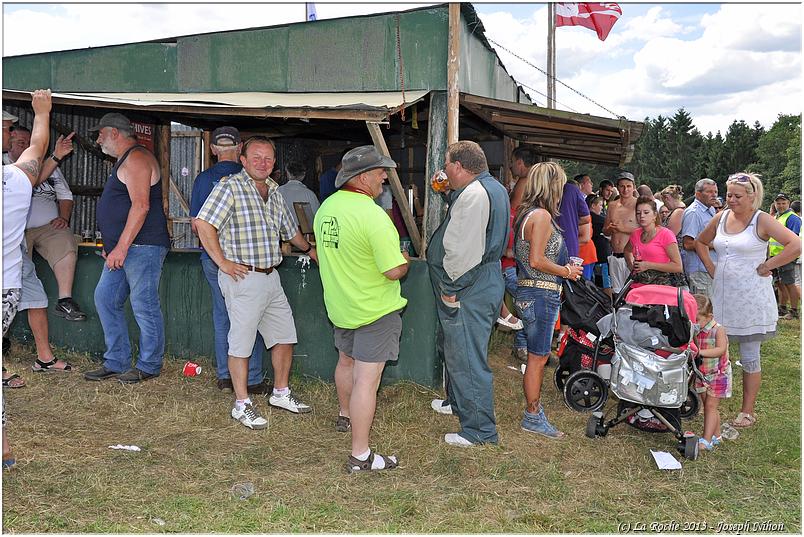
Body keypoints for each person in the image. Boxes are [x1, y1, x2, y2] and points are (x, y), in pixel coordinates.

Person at [195, 136, 315, 429]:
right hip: (243, 277)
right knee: (241, 343)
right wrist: (222, 262)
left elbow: (291, 232)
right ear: (243, 160)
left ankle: (280, 393)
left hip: (270, 276)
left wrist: (310, 249)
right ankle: (241, 404)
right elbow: (202, 223)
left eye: (268, 159)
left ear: (275, 164)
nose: (263, 163)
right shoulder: (230, 187)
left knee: (284, 336)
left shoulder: (274, 191)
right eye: (256, 158)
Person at [314, 145, 408, 473]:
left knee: (345, 362)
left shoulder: (326, 208)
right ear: (364, 177)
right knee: (367, 381)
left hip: (341, 306)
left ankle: (345, 414)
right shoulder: (373, 215)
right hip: (374, 309)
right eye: (381, 171)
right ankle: (360, 455)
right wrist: (405, 261)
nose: (385, 176)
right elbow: (394, 269)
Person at [695, 172, 800, 429]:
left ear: (753, 196)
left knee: (750, 354)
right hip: (721, 294)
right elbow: (700, 242)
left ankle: (747, 411)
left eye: (737, 196)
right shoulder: (720, 217)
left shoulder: (761, 219)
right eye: (729, 194)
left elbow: (795, 245)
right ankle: (704, 401)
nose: (731, 200)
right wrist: (711, 267)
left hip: (751, 297)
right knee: (711, 345)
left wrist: (769, 265)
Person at [427, 141, 509, 447]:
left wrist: (451, 289)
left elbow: (463, 250)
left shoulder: (475, 194)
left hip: (468, 284)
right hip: (482, 280)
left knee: (468, 359)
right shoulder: (490, 188)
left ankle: (479, 432)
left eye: (448, 164)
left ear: (459, 167)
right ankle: (459, 405)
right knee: (457, 350)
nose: (445, 170)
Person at [83, 112, 171, 384]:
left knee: (144, 304)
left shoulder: (137, 158)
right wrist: (115, 247)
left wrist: (120, 247)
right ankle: (117, 360)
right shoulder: (126, 159)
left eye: (100, 134)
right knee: (106, 298)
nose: (98, 140)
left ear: (114, 133)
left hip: (142, 245)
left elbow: (141, 205)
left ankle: (149, 364)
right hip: (125, 247)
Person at [189, 126, 267, 395]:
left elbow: (196, 225)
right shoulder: (250, 178)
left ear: (212, 149)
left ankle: (226, 377)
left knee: (224, 316)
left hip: (214, 258)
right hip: (246, 260)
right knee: (249, 317)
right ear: (241, 148)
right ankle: (252, 379)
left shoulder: (203, 180)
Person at [2, 90, 53, 469]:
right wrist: (42, 112)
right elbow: (37, 145)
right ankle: (2, 448)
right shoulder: (15, 181)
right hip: (6, 289)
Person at [515, 162, 583, 438]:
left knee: (537, 356)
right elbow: (537, 259)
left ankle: (533, 411)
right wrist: (566, 271)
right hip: (540, 294)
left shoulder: (526, 213)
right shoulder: (541, 216)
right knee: (538, 357)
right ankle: (532, 415)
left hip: (529, 292)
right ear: (551, 185)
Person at [4, 126, 86, 321]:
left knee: (65, 239)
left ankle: (65, 300)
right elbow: (31, 180)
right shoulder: (5, 167)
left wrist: (63, 218)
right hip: (15, 232)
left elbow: (65, 196)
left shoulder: (45, 166)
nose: (26, 148)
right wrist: (56, 156)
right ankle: (5, 336)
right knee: (12, 279)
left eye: (30, 144)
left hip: (46, 228)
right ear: (9, 144)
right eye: (21, 143)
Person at [498, 147, 537, 357]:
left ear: (521, 162)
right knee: (523, 297)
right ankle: (524, 344)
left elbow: (511, 210)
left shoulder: (524, 182)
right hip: (514, 257)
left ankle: (524, 344)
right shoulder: (533, 184)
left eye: (513, 162)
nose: (512, 166)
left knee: (523, 298)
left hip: (511, 257)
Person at [692, 294, 731, 451]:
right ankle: (717, 435)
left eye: (697, 319)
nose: (694, 323)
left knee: (710, 406)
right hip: (702, 373)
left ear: (709, 316)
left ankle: (706, 440)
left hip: (718, 374)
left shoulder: (718, 330)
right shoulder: (696, 330)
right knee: (709, 406)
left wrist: (699, 352)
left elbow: (720, 350)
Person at [624, 196, 684, 287]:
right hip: (637, 286)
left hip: (659, 287)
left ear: (655, 215)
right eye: (638, 213)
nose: (642, 216)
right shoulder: (635, 234)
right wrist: (632, 266)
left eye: (646, 212)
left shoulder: (666, 234)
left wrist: (648, 265)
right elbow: (627, 251)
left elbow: (678, 267)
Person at [681, 178, 718, 296]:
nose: (714, 195)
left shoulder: (711, 209)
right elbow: (687, 243)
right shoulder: (693, 213)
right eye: (709, 192)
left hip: (711, 268)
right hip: (699, 271)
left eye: (715, 192)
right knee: (704, 311)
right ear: (698, 194)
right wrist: (714, 244)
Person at [768, 193, 801, 320]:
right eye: (778, 203)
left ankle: (794, 310)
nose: (780, 206)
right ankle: (782, 308)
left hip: (786, 256)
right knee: (780, 283)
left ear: (788, 203)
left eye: (783, 203)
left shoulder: (792, 218)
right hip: (776, 256)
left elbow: (794, 240)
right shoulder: (777, 216)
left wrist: (787, 255)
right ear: (775, 204)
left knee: (789, 283)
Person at [603, 172, 638, 292]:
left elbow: (646, 231)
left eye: (628, 186)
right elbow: (605, 231)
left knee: (631, 291)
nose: (625, 189)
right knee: (616, 292)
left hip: (632, 256)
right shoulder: (612, 205)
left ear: (634, 187)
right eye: (622, 186)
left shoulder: (639, 205)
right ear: (617, 188)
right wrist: (610, 229)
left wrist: (623, 228)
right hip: (614, 255)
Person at [277, 159, 320, 230]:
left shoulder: (278, 191)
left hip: (282, 235)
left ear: (287, 173)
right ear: (304, 175)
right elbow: (317, 218)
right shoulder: (310, 194)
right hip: (305, 236)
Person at [557, 179, 591, 259]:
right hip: (570, 246)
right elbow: (586, 218)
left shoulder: (543, 189)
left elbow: (585, 237)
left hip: (554, 246)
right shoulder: (572, 190)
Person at [587, 195, 612, 297]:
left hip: (593, 256)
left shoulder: (583, 218)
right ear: (593, 205)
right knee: (606, 283)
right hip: (601, 256)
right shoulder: (600, 220)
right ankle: (608, 306)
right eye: (600, 205)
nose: (602, 208)